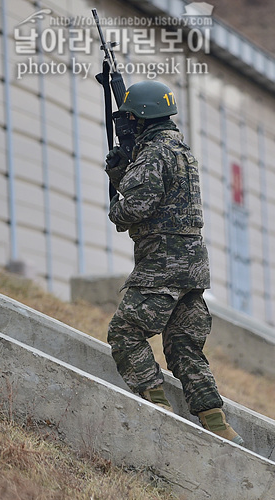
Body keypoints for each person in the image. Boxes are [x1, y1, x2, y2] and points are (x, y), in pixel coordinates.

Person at [104, 80, 243, 446]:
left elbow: (132, 209)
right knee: (184, 348)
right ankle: (217, 425)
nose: (126, 124)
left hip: (161, 265)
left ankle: (159, 411)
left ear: (141, 118)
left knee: (125, 333)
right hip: (192, 268)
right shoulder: (180, 150)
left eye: (129, 118)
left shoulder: (153, 154)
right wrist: (125, 172)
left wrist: (116, 190)